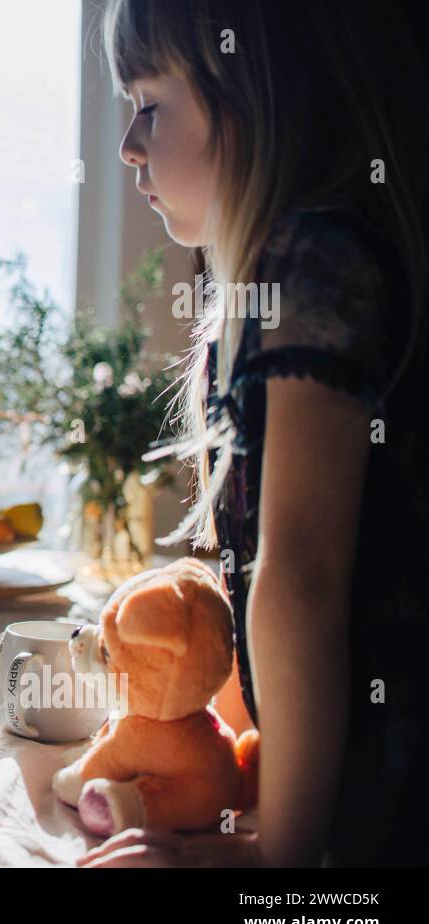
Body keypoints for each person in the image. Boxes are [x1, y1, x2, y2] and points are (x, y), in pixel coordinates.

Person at [82, 0, 429, 867]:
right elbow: (253, 602)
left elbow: (301, 577)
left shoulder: (318, 263)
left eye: (150, 105)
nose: (128, 145)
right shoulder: (260, 295)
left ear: (251, 94)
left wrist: (272, 859)